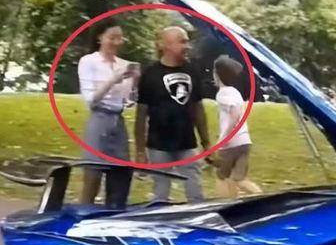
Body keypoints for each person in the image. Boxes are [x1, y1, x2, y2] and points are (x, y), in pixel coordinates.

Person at [135, 27, 210, 203]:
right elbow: (141, 114)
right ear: (166, 45)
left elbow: (198, 108)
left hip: (187, 143)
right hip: (158, 145)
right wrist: (140, 151)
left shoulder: (192, 71)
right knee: (160, 195)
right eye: (182, 42)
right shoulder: (150, 74)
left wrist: (206, 143)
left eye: (187, 42)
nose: (187, 46)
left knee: (196, 194)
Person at [78, 18, 139, 208]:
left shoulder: (123, 64)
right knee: (93, 174)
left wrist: (135, 81)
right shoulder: (89, 61)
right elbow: (91, 99)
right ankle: (85, 215)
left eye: (120, 38)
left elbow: (130, 101)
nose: (117, 42)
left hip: (117, 120)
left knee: (121, 174)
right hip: (99, 118)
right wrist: (113, 79)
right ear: (100, 38)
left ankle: (114, 214)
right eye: (112, 38)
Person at [213, 55, 261, 198]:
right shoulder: (235, 92)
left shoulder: (222, 93)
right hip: (244, 141)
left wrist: (225, 137)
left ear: (217, 74)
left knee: (221, 176)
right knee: (239, 179)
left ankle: (224, 204)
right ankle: (260, 196)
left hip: (231, 143)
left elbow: (235, 113)